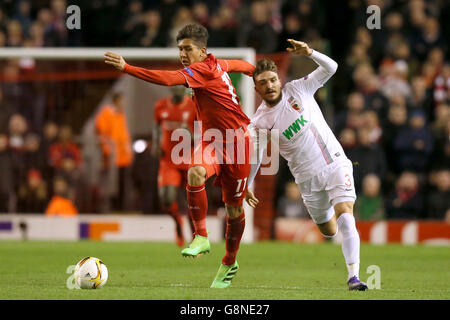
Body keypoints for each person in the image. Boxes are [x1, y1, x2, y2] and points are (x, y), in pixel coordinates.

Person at [104, 23, 255, 288]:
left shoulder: (203, 70)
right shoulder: (216, 64)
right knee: (195, 172)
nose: (182, 54)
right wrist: (257, 71)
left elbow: (166, 79)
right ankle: (201, 236)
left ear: (202, 51)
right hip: (211, 140)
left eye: (187, 49)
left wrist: (127, 68)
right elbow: (241, 64)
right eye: (180, 49)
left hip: (238, 143)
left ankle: (230, 261)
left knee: (234, 209)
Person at [246, 39, 368, 291]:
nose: (269, 85)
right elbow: (256, 155)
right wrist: (248, 184)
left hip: (334, 163)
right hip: (306, 179)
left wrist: (311, 53)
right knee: (328, 230)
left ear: (279, 80)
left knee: (346, 215)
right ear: (256, 88)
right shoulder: (259, 121)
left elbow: (332, 67)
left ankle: (353, 276)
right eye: (263, 82)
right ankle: (334, 216)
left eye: (272, 79)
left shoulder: (298, 89)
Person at [152, 86, 196, 247]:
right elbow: (156, 125)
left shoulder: (193, 106)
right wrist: (156, 143)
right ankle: (178, 223)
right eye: (175, 86)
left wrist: (190, 133)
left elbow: (203, 134)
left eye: (181, 86)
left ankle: (195, 237)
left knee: (192, 202)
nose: (178, 89)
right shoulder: (160, 106)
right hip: (168, 160)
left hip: (189, 160)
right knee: (166, 199)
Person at [95, 92, 133, 211]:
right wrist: (108, 151)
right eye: (122, 101)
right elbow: (102, 133)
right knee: (110, 185)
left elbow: (123, 135)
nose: (124, 103)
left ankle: (120, 207)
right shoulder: (107, 114)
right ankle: (110, 208)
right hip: (112, 157)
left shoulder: (120, 115)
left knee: (121, 184)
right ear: (116, 101)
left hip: (122, 157)